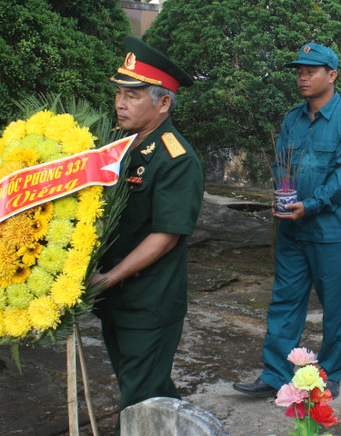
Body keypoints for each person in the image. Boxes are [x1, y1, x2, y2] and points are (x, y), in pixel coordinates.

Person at [233, 43, 341, 399]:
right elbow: (283, 162)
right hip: (293, 227)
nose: (302, 77)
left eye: (311, 70)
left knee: (335, 306)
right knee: (284, 302)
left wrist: (309, 204)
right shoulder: (293, 118)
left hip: (331, 230)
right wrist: (282, 194)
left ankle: (330, 371)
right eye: (299, 71)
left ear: (332, 75)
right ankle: (276, 373)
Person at [92, 37, 204, 425]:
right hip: (115, 298)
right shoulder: (120, 148)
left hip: (148, 300)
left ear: (163, 103)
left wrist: (109, 278)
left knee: (140, 397)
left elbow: (165, 235)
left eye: (134, 95)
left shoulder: (176, 158)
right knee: (142, 388)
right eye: (120, 93)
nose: (121, 103)